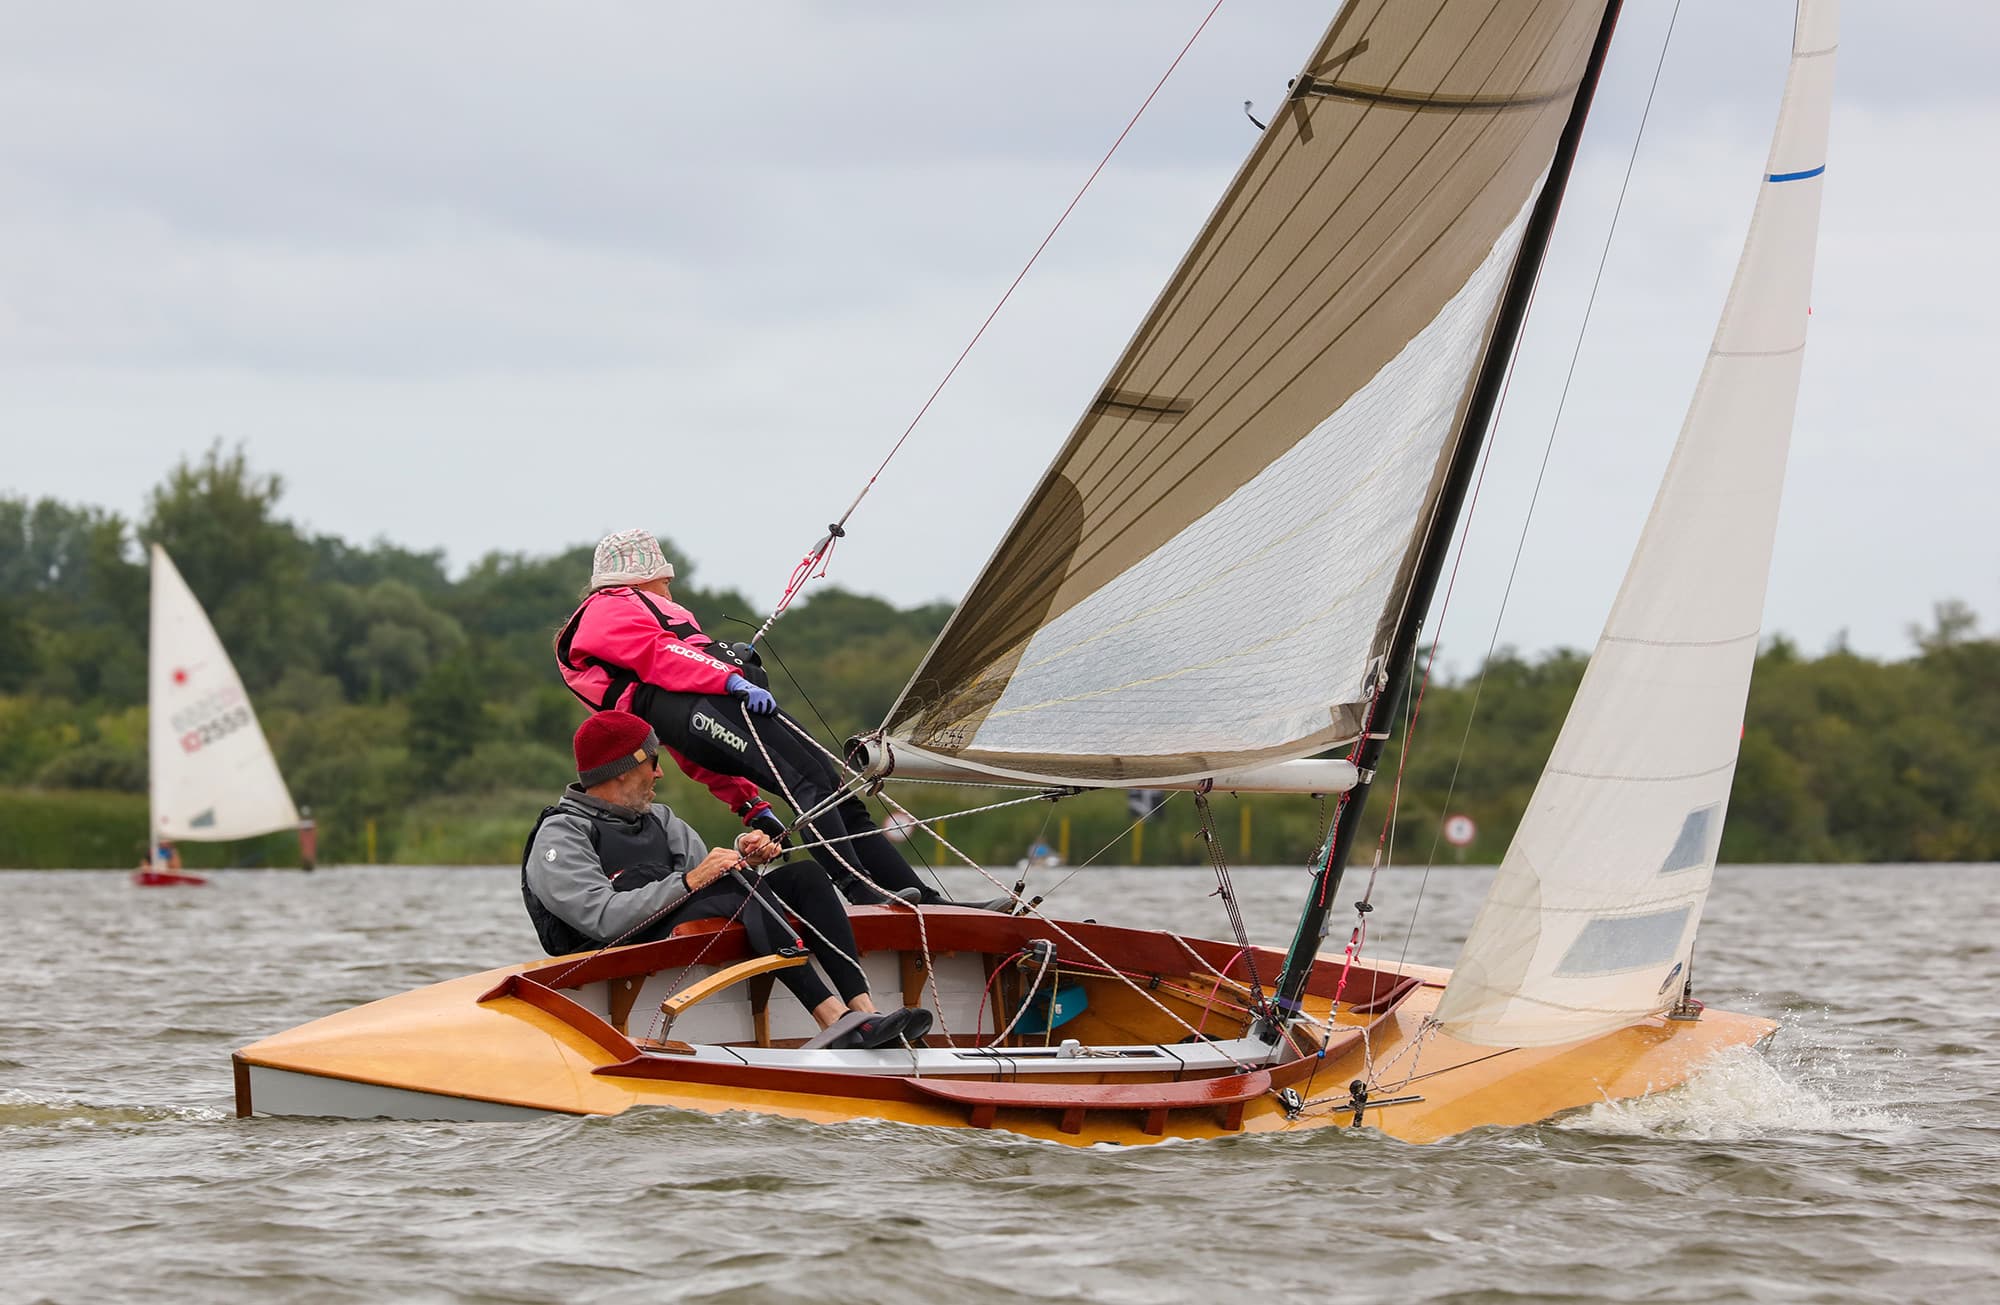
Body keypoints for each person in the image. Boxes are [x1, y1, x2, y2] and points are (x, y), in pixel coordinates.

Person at [553, 527, 943, 908]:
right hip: (706, 710)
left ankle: (925, 901)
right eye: (666, 581)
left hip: (704, 715)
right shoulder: (609, 607)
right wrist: (729, 677)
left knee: (833, 788)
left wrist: (750, 805)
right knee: (807, 784)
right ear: (644, 577)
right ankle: (860, 890)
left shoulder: (631, 618)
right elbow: (663, 659)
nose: (670, 591)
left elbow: (687, 743)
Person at [522, 709, 931, 1049]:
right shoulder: (561, 834)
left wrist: (743, 854)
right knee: (732, 888)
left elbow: (710, 876)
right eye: (653, 762)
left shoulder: (661, 821)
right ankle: (833, 1019)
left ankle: (864, 1012)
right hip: (609, 954)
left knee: (804, 877)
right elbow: (602, 917)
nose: (660, 775)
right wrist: (691, 882)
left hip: (672, 925)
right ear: (623, 772)